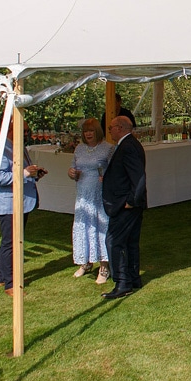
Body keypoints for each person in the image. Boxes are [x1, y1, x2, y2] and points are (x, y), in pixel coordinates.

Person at [0, 123, 43, 296]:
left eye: (27, 131)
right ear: (10, 130)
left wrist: (34, 174)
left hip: (21, 201)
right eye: (22, 130)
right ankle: (10, 283)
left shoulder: (19, 148)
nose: (26, 134)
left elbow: (21, 172)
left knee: (10, 241)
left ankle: (3, 276)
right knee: (11, 242)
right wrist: (25, 173)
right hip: (8, 204)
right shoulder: (0, 151)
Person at [101, 115, 148, 299]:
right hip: (129, 203)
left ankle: (122, 282)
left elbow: (138, 177)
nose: (110, 130)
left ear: (120, 128)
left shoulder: (128, 147)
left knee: (114, 241)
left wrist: (131, 200)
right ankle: (133, 277)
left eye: (111, 127)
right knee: (130, 242)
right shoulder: (130, 145)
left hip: (126, 205)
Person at [68, 118, 114, 283]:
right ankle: (85, 262)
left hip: (99, 194)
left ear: (97, 132)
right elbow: (73, 167)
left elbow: (114, 170)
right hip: (82, 194)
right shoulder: (79, 149)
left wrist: (106, 178)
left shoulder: (108, 149)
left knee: (100, 226)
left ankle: (104, 266)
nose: (88, 134)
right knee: (83, 226)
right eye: (85, 131)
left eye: (91, 131)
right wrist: (72, 173)